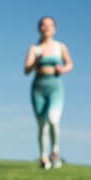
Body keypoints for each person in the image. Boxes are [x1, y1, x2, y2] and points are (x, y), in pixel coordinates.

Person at [24, 16, 73, 169]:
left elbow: (69, 63)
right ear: (39, 28)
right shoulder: (34, 48)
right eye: (43, 25)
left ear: (55, 29)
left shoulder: (61, 47)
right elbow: (26, 70)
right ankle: (44, 157)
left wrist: (63, 69)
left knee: (53, 119)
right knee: (42, 125)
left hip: (55, 86)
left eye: (50, 25)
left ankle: (55, 152)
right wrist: (37, 61)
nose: (46, 28)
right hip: (38, 87)